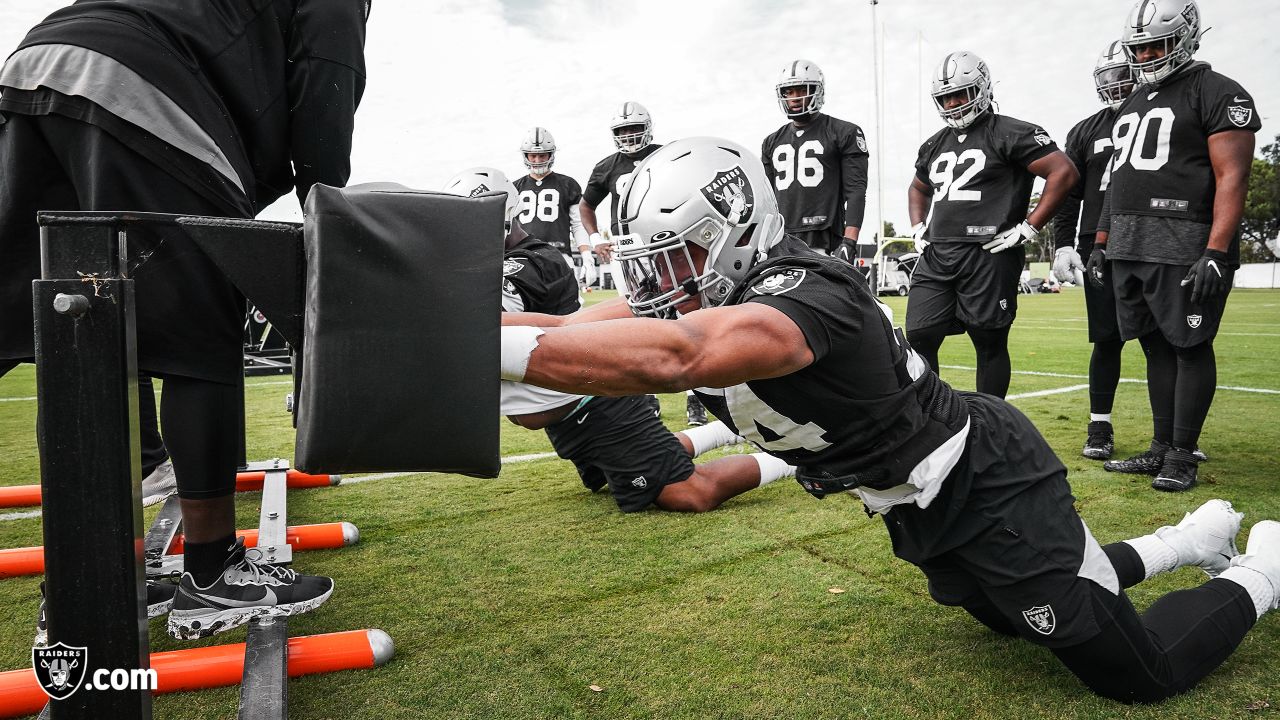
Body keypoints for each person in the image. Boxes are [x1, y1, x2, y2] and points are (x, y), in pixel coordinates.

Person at [500, 135, 1279, 703]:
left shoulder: (800, 296)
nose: (651, 281)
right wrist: (450, 330)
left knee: (1136, 675)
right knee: (1015, 620)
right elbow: (576, 327)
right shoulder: (732, 292)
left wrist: (476, 355)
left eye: (669, 259)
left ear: (730, 230)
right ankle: (1186, 542)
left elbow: (674, 357)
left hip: (986, 482)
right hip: (918, 498)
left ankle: (1261, 568)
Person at [0, 0, 368, 640]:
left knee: (80, 323)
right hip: (145, 89)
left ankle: (92, 575)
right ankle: (213, 570)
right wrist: (323, 212)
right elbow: (325, 85)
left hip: (33, 71)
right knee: (204, 335)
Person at [445, 167, 793, 512]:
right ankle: (723, 433)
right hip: (568, 414)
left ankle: (794, 462)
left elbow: (482, 316)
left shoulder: (533, 263)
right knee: (629, 474)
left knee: (686, 492)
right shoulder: (508, 261)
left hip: (599, 400)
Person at [1088, 0, 1259, 491]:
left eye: (1156, 44)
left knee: (1189, 346)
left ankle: (1183, 453)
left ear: (1185, 36)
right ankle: (1162, 446)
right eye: (1139, 47)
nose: (1146, 55)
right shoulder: (1133, 100)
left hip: (1183, 242)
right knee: (1154, 348)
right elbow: (1117, 179)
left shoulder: (1217, 91)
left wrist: (1217, 250)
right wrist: (1102, 241)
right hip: (1129, 243)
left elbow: (1233, 177)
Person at [905, 51, 1079, 399]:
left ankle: (989, 421)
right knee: (920, 334)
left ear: (982, 88)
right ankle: (931, 418)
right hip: (939, 251)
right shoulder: (933, 143)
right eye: (945, 97)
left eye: (961, 94)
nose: (953, 103)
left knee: (988, 340)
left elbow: (1064, 171)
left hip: (989, 251)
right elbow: (918, 187)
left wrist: (1030, 227)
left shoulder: (1013, 131)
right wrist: (917, 225)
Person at [579, 101, 708, 427]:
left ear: (647, 127)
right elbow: (586, 205)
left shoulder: (665, 155)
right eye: (622, 131)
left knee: (685, 316)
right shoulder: (607, 166)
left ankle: (698, 397)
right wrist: (595, 239)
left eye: (634, 128)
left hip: (663, 246)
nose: (629, 135)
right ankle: (648, 399)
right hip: (626, 253)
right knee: (639, 323)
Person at [1051, 41, 1138, 460]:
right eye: (1108, 78)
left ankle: (1175, 437)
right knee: (1107, 338)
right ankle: (1099, 425)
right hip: (1096, 242)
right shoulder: (1086, 128)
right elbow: (1068, 194)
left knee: (1170, 343)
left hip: (1150, 234)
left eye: (1122, 74)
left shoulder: (1172, 116)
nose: (1116, 85)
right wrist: (1063, 243)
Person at [761, 59, 869, 265]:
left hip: (824, 237)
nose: (793, 98)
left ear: (817, 91)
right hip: (780, 239)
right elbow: (766, 200)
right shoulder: (771, 142)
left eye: (800, 90)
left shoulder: (843, 132)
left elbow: (856, 191)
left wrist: (849, 241)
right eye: (788, 92)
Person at [512, 127, 598, 290]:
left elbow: (578, 225)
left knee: (570, 309)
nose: (537, 160)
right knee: (527, 312)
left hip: (559, 255)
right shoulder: (514, 188)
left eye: (542, 155)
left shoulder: (567, 184)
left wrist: (587, 257)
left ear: (551, 154)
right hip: (524, 257)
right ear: (526, 156)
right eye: (533, 155)